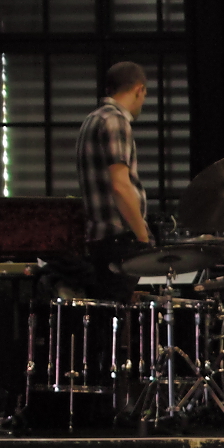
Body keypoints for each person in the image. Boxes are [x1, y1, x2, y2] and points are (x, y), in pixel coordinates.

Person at [73, 61, 152, 299]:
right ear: (139, 89)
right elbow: (120, 185)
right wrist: (143, 237)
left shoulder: (92, 119)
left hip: (98, 237)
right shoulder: (116, 121)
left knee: (106, 311)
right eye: (144, 95)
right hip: (117, 238)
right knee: (119, 309)